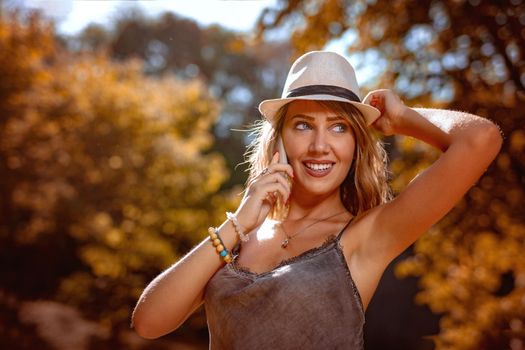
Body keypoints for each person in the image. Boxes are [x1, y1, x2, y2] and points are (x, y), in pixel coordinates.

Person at [132, 51, 502, 349]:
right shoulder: (240, 236)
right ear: (279, 141)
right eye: (304, 125)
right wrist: (239, 223)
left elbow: (481, 139)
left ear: (356, 145)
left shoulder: (366, 236)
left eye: (339, 127)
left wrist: (403, 118)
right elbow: (149, 323)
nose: (320, 146)